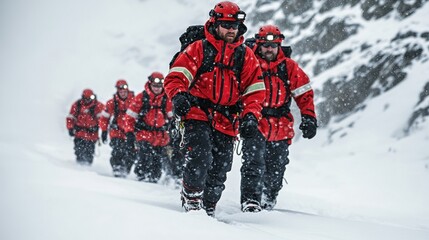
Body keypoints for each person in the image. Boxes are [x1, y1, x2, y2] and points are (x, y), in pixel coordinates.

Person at [164, 1, 265, 217]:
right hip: (197, 113)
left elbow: (255, 92)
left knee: (221, 167)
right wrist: (179, 95)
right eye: (226, 25)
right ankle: (192, 197)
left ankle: (208, 206)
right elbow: (176, 77)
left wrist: (250, 116)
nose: (231, 30)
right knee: (200, 155)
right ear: (215, 23)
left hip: (227, 119)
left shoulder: (245, 56)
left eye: (234, 26)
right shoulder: (199, 48)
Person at [240, 24, 317, 212]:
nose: (269, 49)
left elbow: (304, 93)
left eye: (274, 45)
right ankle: (251, 201)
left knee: (277, 167)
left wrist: (309, 117)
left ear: (279, 46)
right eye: (266, 45)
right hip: (255, 121)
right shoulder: (250, 63)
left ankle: (269, 198)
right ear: (258, 44)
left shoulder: (289, 67)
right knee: (253, 163)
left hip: (281, 125)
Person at [121, 72, 173, 183]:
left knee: (157, 160)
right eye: (155, 85)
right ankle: (141, 178)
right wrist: (129, 133)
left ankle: (153, 181)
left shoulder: (167, 99)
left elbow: (173, 118)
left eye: (159, 86)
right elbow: (129, 117)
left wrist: (174, 133)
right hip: (143, 134)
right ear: (150, 84)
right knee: (144, 156)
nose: (157, 88)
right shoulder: (141, 98)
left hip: (161, 137)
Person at [99, 79, 136, 177]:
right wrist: (103, 131)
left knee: (131, 153)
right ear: (117, 91)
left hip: (131, 133)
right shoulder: (111, 103)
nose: (123, 93)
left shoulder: (135, 101)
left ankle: (126, 170)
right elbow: (104, 118)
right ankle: (117, 169)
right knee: (118, 151)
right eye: (120, 91)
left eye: (124, 91)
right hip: (117, 132)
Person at [66, 89, 105, 165]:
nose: (87, 100)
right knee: (79, 152)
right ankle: (79, 168)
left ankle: (87, 169)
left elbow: (103, 119)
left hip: (92, 136)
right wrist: (70, 128)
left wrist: (103, 130)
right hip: (79, 134)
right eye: (85, 98)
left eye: (89, 98)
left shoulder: (98, 106)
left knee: (89, 153)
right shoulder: (77, 105)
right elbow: (70, 118)